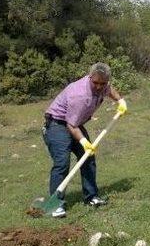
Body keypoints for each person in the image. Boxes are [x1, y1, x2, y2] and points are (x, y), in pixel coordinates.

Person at [43, 62, 127, 218]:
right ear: (90, 77)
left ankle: (91, 197)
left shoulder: (103, 85)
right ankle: (56, 204)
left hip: (75, 123)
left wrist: (120, 101)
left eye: (103, 83)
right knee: (62, 162)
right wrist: (84, 142)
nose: (99, 87)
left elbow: (110, 90)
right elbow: (71, 125)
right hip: (57, 124)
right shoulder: (80, 95)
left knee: (88, 158)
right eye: (95, 83)